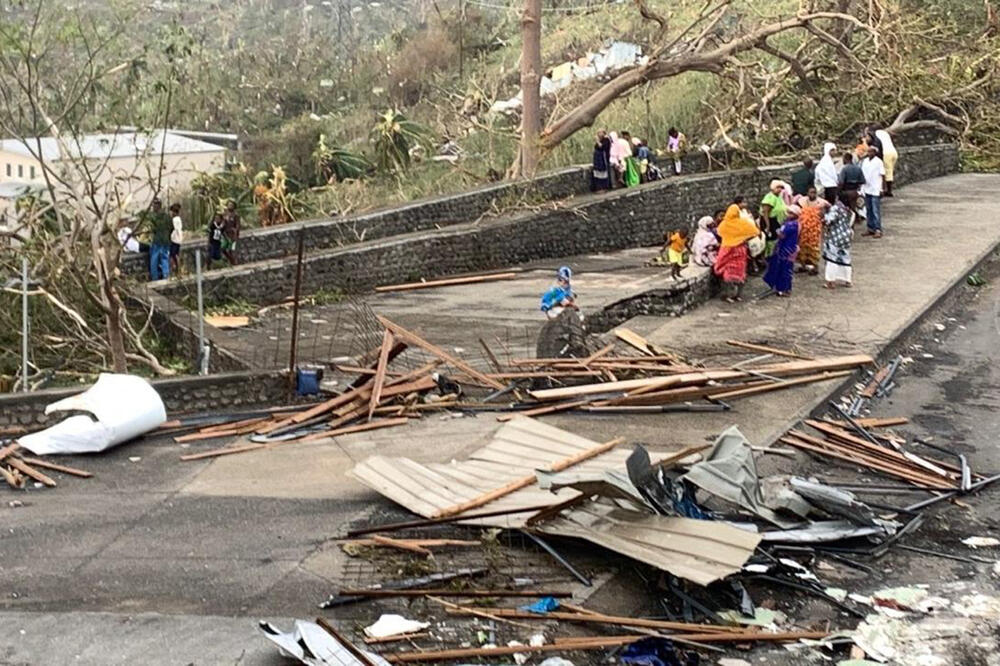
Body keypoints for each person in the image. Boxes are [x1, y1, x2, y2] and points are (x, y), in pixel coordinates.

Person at [714, 198, 760, 303]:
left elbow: (720, 234)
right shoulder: (743, 223)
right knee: (740, 274)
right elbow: (755, 232)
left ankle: (729, 295)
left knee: (728, 276)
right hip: (740, 251)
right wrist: (742, 239)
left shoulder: (724, 225)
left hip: (728, 250)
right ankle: (738, 295)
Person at [763, 204, 800, 297]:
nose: (788, 214)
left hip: (787, 249)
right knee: (781, 268)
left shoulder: (792, 225)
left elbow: (782, 235)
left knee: (786, 270)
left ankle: (786, 289)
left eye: (791, 213)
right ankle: (780, 287)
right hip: (785, 248)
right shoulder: (790, 223)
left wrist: (777, 232)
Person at [823, 190, 857, 288]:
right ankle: (847, 280)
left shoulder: (836, 208)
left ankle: (831, 281)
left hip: (835, 236)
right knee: (845, 258)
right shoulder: (850, 210)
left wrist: (823, 216)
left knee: (832, 259)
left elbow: (828, 220)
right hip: (846, 236)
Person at [796, 186, 827, 275]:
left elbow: (827, 209)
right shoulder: (802, 202)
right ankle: (803, 265)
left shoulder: (820, 203)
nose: (812, 194)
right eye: (811, 192)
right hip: (804, 229)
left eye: (814, 192)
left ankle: (815, 267)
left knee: (814, 248)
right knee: (802, 247)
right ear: (807, 193)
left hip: (814, 230)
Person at [759, 179, 788, 259]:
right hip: (769, 221)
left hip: (775, 221)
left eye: (781, 188)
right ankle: (769, 255)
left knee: (777, 238)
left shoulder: (778, 197)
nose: (779, 189)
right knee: (771, 239)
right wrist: (768, 226)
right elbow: (765, 213)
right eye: (777, 187)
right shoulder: (769, 198)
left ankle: (776, 254)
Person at [861, 145, 885, 238]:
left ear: (875, 152)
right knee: (868, 209)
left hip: (876, 188)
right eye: (869, 151)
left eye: (872, 151)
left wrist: (882, 188)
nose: (870, 153)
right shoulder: (865, 161)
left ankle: (878, 229)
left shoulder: (878, 162)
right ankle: (870, 227)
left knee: (875, 210)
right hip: (867, 188)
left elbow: (883, 175)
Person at [145, 197, 172, 281]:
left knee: (154, 259)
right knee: (164, 258)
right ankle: (166, 275)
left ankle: (155, 277)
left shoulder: (154, 217)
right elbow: (171, 227)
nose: (153, 207)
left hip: (157, 240)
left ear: (157, 206)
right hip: (166, 240)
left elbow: (152, 229)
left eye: (154, 205)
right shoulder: (167, 216)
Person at [873, 124, 898, 197]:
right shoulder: (885, 133)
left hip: (886, 153)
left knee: (887, 172)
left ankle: (888, 191)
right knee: (890, 171)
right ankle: (888, 189)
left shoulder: (876, 133)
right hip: (894, 152)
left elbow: (877, 144)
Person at [220, 200, 241, 264]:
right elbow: (222, 223)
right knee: (223, 248)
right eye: (229, 205)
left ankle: (234, 262)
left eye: (231, 205)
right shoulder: (224, 214)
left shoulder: (236, 215)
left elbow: (238, 225)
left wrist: (236, 231)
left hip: (233, 235)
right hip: (225, 234)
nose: (230, 206)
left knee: (232, 249)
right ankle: (231, 260)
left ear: (234, 207)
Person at [169, 203, 183, 276]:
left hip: (174, 239)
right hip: (178, 239)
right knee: (176, 254)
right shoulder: (179, 219)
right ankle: (178, 270)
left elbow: (173, 229)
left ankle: (177, 269)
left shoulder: (174, 220)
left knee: (173, 255)